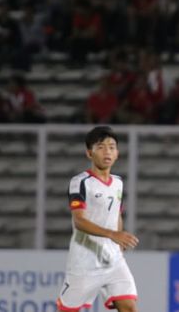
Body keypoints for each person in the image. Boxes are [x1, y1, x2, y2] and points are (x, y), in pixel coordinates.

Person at [58, 126, 139, 312]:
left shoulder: (118, 182)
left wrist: (118, 245)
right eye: (101, 147)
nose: (107, 151)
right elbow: (79, 221)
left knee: (129, 307)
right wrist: (112, 234)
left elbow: (117, 214)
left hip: (113, 260)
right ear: (89, 153)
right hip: (85, 262)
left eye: (112, 147)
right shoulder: (80, 182)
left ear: (117, 153)